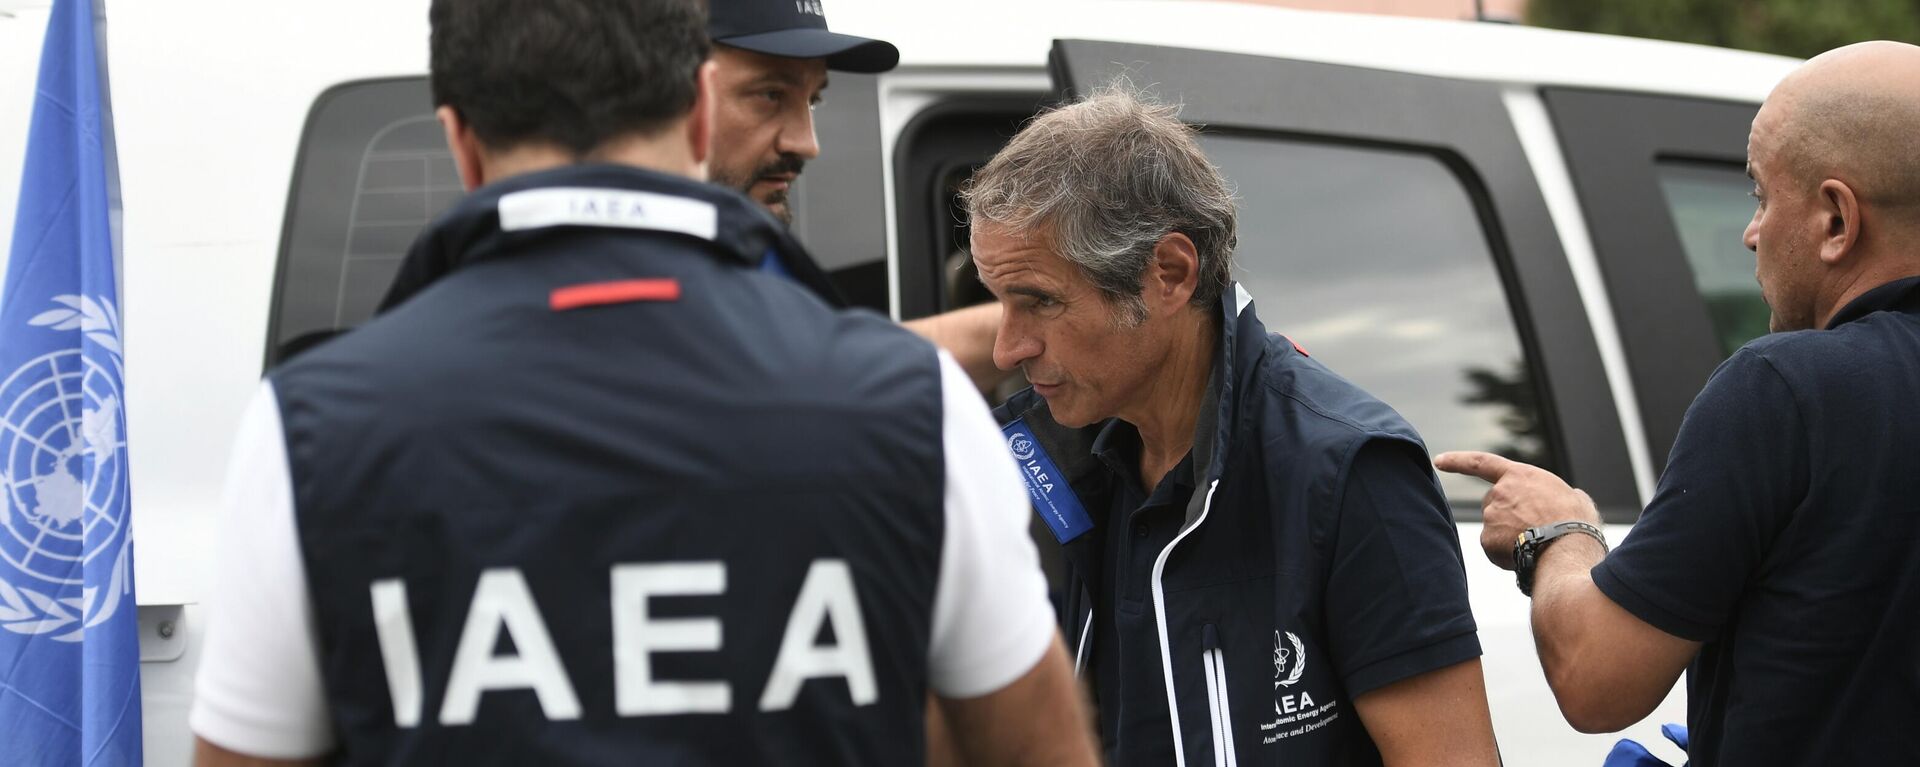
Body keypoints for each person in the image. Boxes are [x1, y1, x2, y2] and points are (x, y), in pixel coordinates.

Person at [186, 1, 1096, 765]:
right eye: (772, 95)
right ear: (700, 110)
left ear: (459, 146)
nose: (806, 141)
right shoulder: (914, 406)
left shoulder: (308, 428)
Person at [970, 85, 1500, 766]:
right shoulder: (1039, 474)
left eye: (1038, 302)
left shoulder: (1349, 474)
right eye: (1000, 303)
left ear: (1170, 272)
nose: (1005, 349)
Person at [1437, 40, 1920, 767]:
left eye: (1761, 194)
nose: (1752, 232)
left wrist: (1558, 535)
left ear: (1835, 222)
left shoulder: (1784, 392)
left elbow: (1598, 680)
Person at [703, 0, 1006, 389]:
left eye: (813, 100)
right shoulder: (628, 277)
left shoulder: (747, 259)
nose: (808, 143)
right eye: (771, 95)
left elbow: (829, 361)